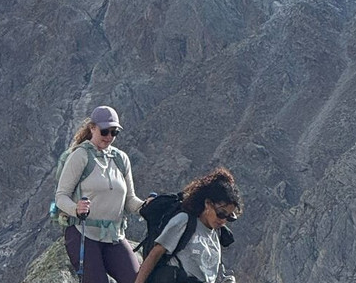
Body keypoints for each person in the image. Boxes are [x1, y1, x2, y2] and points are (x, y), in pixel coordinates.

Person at [55, 105, 145, 283]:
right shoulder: (80, 156)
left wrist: (147, 206)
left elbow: (129, 201)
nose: (110, 137)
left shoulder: (120, 159)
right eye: (105, 131)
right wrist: (76, 209)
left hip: (114, 236)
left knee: (136, 280)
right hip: (82, 233)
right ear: (92, 128)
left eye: (114, 132)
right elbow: (61, 196)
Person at [133, 167, 242, 283]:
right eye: (221, 214)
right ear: (208, 204)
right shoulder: (184, 221)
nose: (223, 220)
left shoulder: (217, 233)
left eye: (230, 217)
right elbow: (154, 255)